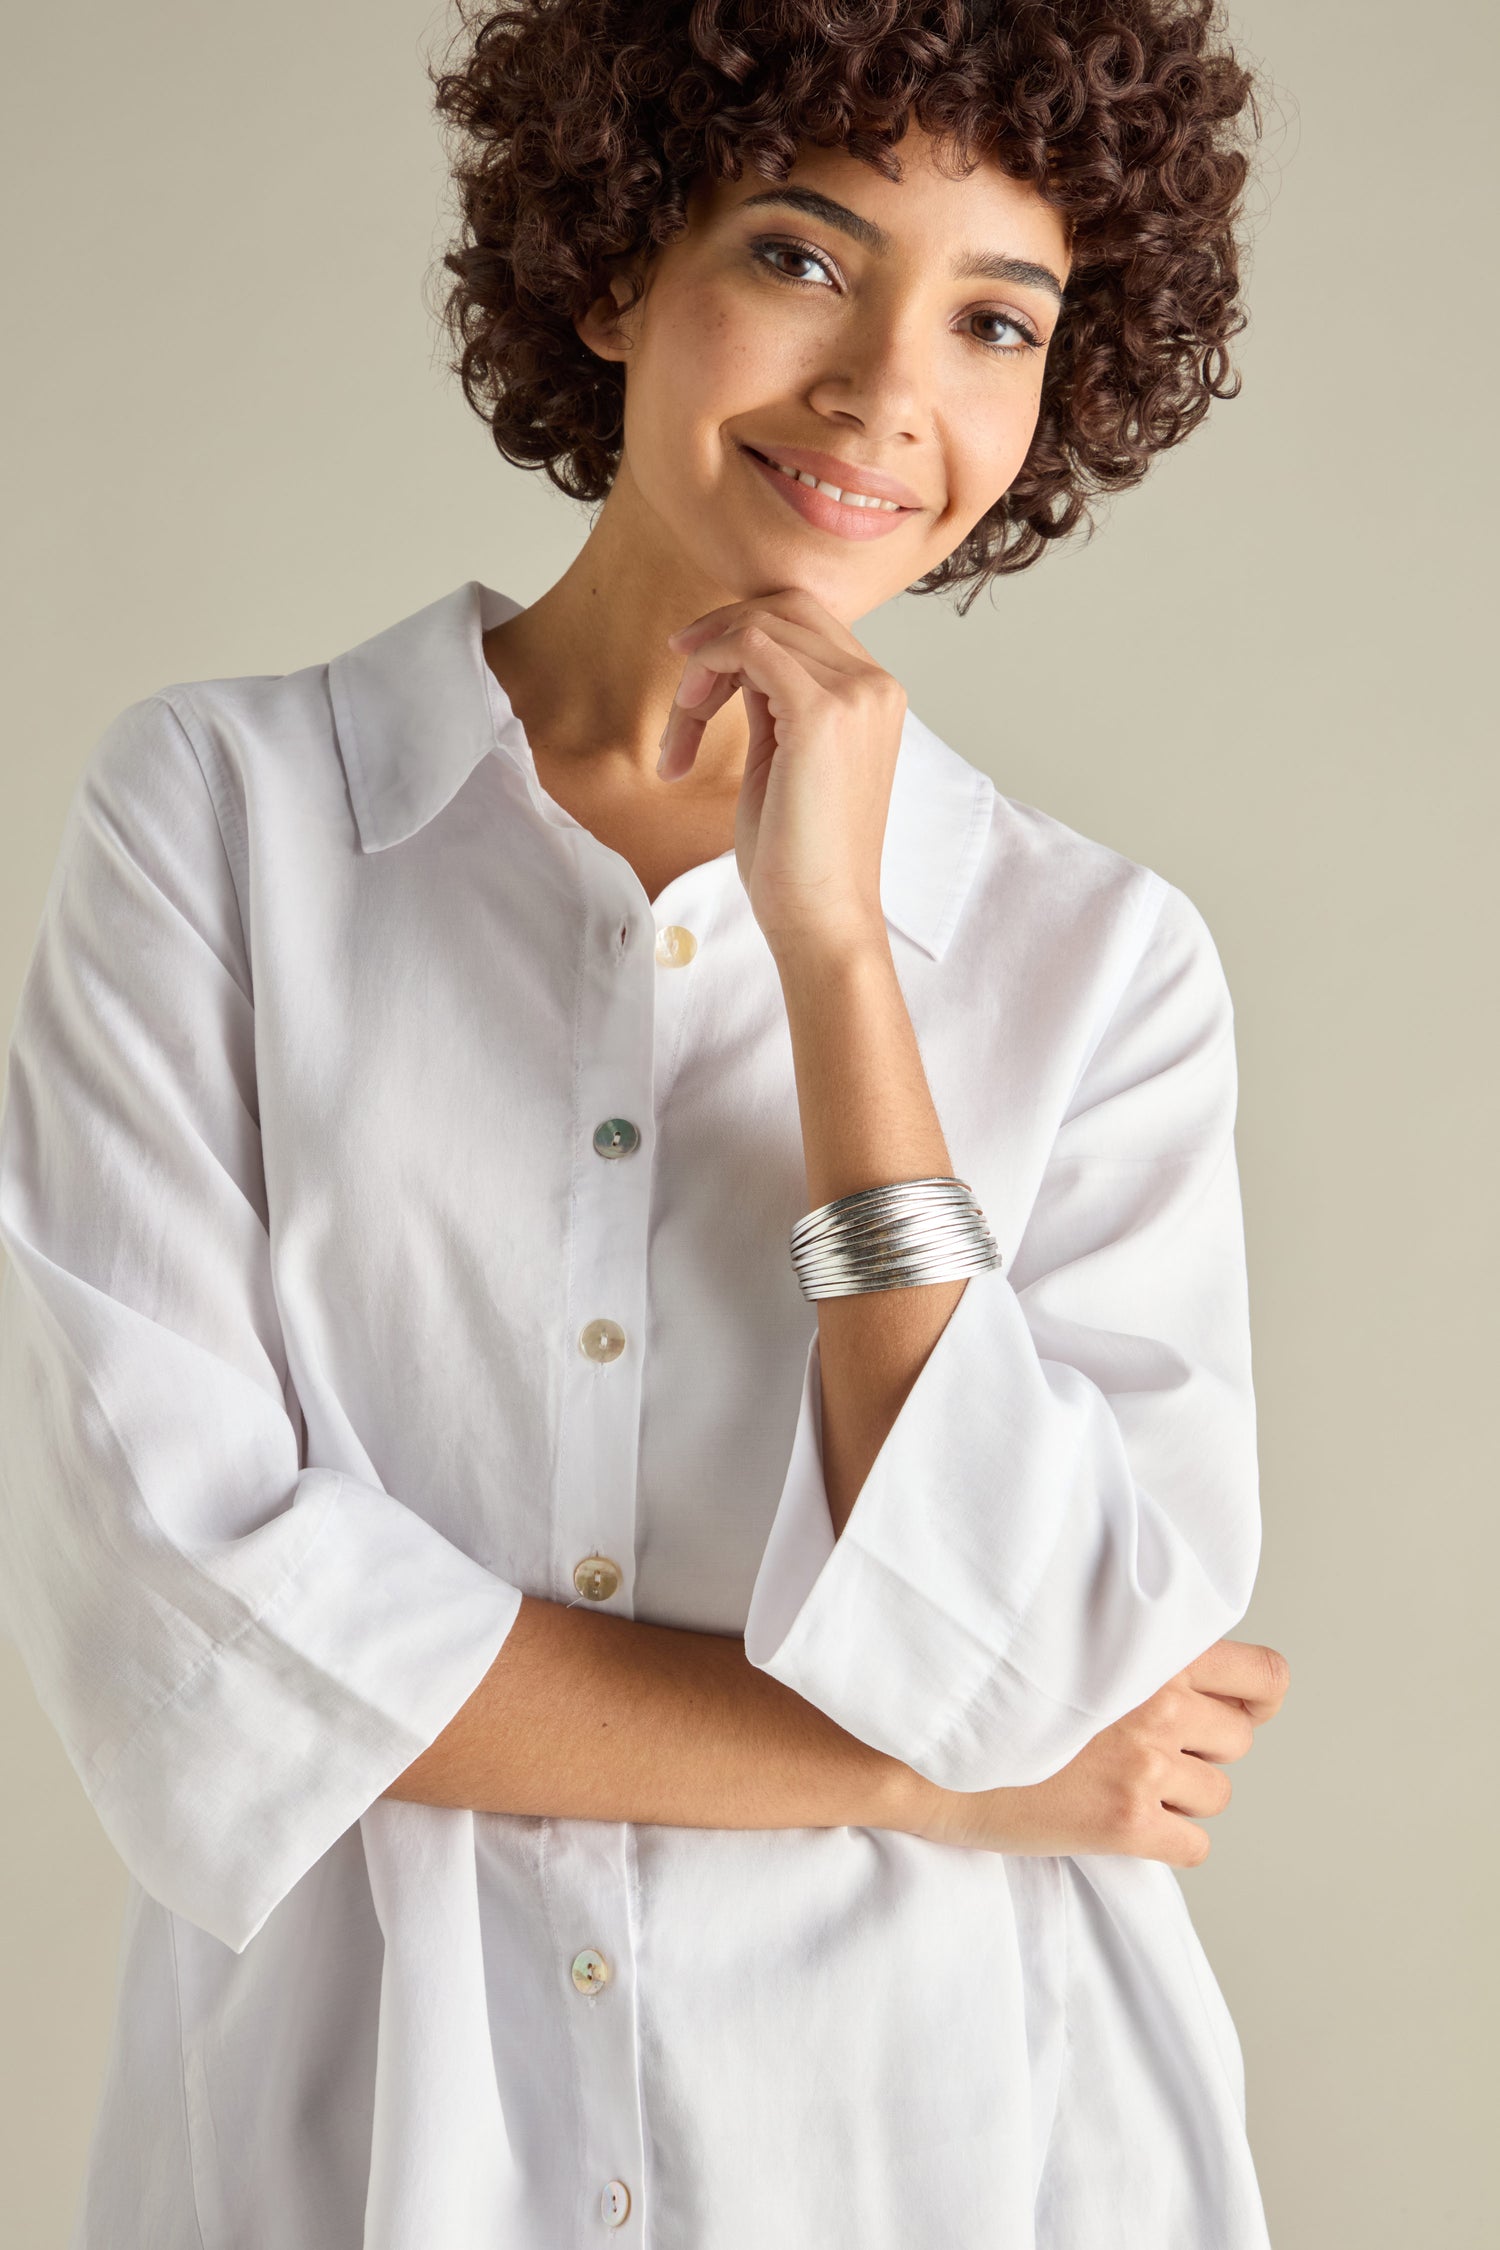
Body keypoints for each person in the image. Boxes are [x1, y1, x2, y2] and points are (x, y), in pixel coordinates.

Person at [0, 2, 1292, 2244]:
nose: (894, 389)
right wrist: (929, 1783)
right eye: (805, 257)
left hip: (953, 2147)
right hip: (370, 2152)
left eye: (997, 316)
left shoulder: (1104, 962)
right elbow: (191, 1608)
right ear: (609, 262)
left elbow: (1041, 1654)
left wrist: (839, 969)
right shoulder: (224, 824)